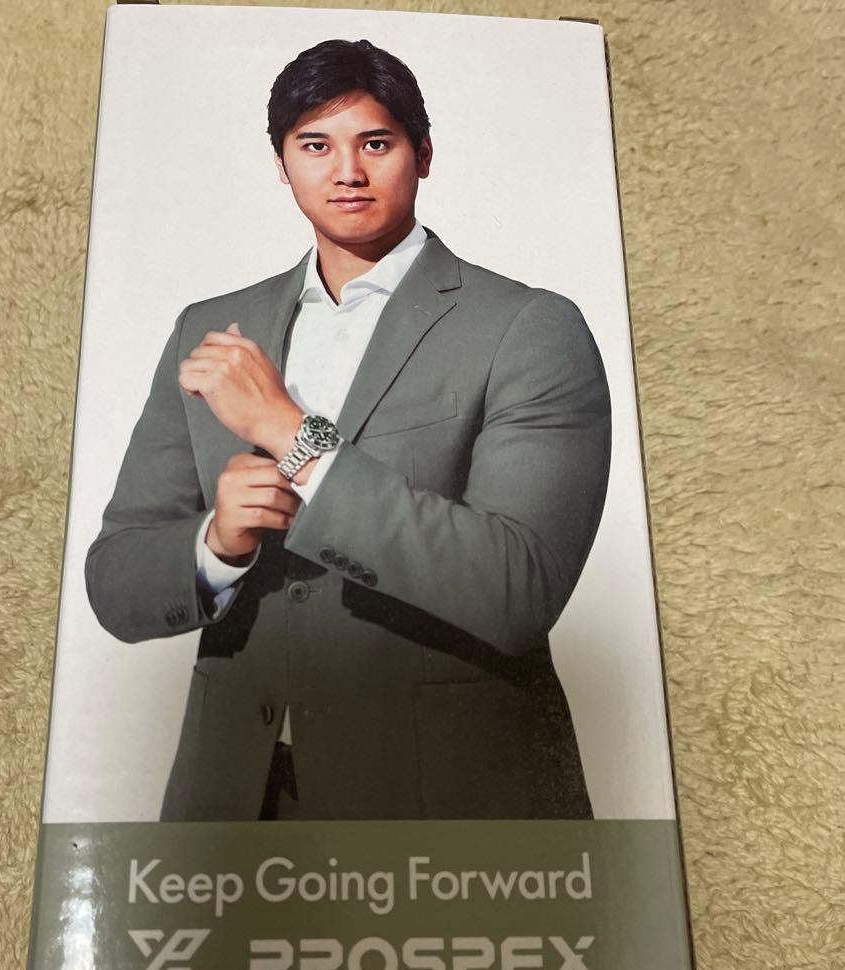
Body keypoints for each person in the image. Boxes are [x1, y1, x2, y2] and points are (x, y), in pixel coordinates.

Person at [85, 39, 612, 822]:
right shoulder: (211, 330)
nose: (347, 172)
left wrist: (290, 434)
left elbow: (520, 588)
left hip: (445, 806)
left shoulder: (529, 329)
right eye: (315, 146)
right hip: (233, 804)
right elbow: (116, 580)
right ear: (281, 163)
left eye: (375, 143)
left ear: (422, 153)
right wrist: (215, 547)